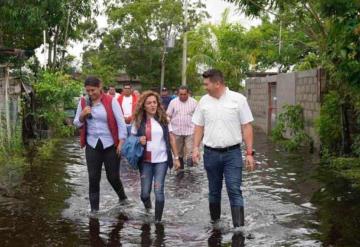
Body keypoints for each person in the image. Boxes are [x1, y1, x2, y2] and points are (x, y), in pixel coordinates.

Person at [192, 69, 255, 227]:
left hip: (232, 154)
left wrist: (249, 153)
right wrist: (195, 148)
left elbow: (247, 126)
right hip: (210, 154)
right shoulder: (204, 102)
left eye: (207, 84)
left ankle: (239, 231)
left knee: (234, 189)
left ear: (217, 83)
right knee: (214, 191)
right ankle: (215, 226)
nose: (204, 87)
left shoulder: (238, 100)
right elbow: (199, 126)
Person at [73, 76, 128, 212]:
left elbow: (121, 123)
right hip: (92, 144)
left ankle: (123, 198)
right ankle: (94, 211)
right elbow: (77, 123)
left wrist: (121, 142)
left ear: (100, 87)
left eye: (93, 90)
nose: (90, 93)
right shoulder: (83, 102)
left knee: (113, 177)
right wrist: (82, 115)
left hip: (110, 144)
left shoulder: (111, 101)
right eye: (88, 91)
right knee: (93, 178)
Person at [131, 90, 181, 222]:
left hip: (162, 161)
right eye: (149, 103)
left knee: (159, 192)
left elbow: (171, 138)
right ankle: (148, 210)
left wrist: (176, 158)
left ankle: (158, 221)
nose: (152, 105)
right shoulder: (138, 121)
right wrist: (138, 140)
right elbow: (131, 139)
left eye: (154, 102)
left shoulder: (164, 119)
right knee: (144, 194)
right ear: (143, 106)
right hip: (145, 162)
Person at [166, 85, 197, 170]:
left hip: (190, 130)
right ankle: (180, 166)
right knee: (178, 151)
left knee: (189, 149)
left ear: (188, 93)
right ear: (178, 94)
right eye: (181, 94)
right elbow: (168, 114)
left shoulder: (194, 102)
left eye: (184, 94)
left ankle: (190, 160)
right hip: (177, 130)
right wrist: (167, 119)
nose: (183, 96)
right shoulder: (173, 102)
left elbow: (198, 116)